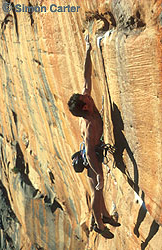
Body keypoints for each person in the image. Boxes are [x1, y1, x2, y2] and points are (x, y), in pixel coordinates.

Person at [68, 35, 120, 235]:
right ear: (85, 107)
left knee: (99, 189)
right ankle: (99, 224)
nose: (87, 94)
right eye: (84, 97)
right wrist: (97, 172)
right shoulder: (89, 125)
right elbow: (89, 153)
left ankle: (105, 215)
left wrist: (88, 50)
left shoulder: (87, 104)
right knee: (97, 190)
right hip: (90, 156)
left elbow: (86, 76)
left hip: (92, 151)